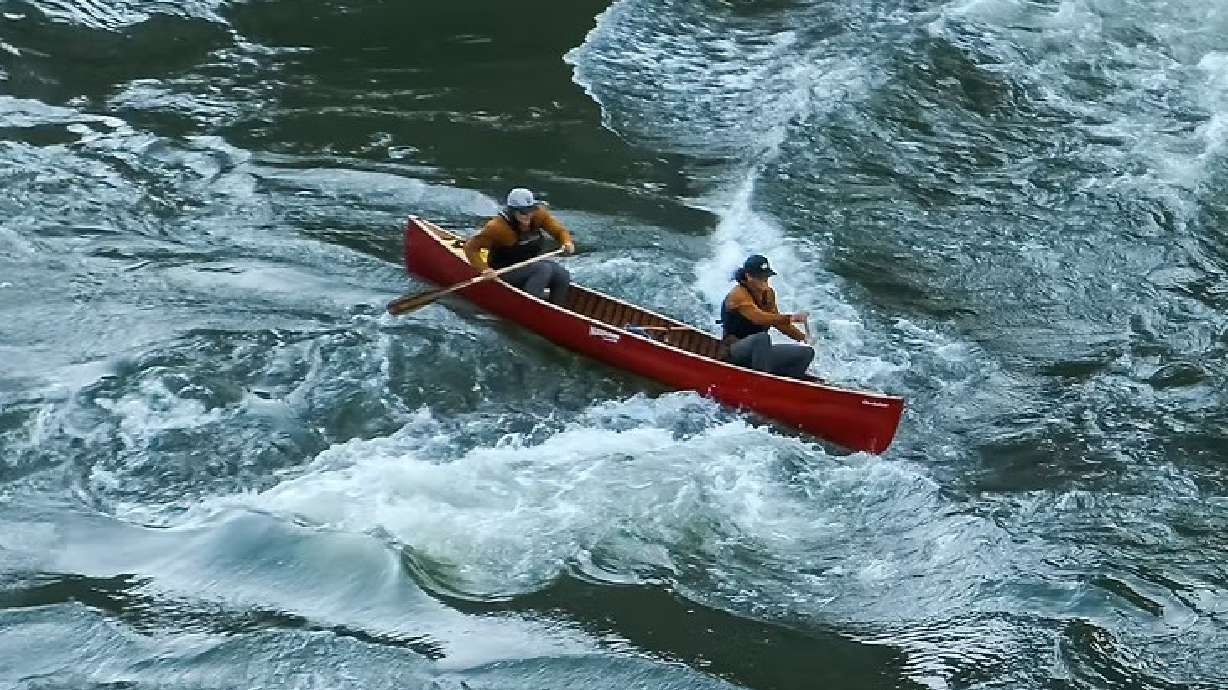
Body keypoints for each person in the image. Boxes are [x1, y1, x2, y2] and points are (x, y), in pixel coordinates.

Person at [464, 187, 576, 305]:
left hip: (530, 266)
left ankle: (556, 307)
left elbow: (559, 231)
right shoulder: (497, 228)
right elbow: (470, 248)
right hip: (504, 271)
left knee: (561, 274)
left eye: (531, 210)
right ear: (512, 211)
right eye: (523, 212)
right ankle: (529, 306)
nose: (528, 215)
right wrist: (485, 269)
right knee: (543, 269)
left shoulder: (539, 215)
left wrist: (566, 242)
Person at [719, 254, 814, 378]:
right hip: (734, 352)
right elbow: (758, 318)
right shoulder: (737, 295)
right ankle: (761, 383)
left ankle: (788, 384)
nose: (764, 281)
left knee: (806, 353)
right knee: (762, 338)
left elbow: (777, 321)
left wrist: (802, 338)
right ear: (748, 276)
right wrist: (792, 318)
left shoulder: (768, 294)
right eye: (760, 277)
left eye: (766, 277)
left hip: (759, 354)